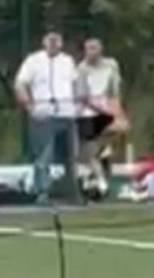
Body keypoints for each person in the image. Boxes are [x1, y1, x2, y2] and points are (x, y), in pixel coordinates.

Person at [14, 31, 80, 204]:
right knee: (44, 155)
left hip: (67, 113)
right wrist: (30, 107)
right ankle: (42, 192)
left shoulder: (68, 61)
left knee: (71, 155)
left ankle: (70, 191)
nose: (53, 44)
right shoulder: (33, 60)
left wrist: (78, 106)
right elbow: (20, 83)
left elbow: (75, 84)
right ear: (44, 43)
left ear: (61, 43)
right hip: (43, 114)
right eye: (50, 41)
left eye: (56, 41)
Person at [77, 37, 129, 200]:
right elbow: (83, 96)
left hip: (108, 106)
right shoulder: (81, 68)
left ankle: (104, 151)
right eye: (88, 49)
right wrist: (100, 109)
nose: (90, 52)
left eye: (94, 48)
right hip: (88, 111)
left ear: (101, 49)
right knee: (89, 150)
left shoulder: (111, 65)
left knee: (122, 127)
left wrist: (117, 110)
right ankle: (101, 182)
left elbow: (115, 91)